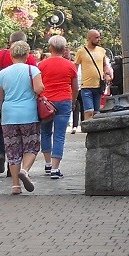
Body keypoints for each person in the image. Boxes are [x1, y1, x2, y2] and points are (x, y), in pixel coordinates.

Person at [0, 31, 38, 175]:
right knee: (22, 139)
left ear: (9, 41)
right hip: (25, 104)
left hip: (1, 97)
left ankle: (0, 153)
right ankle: (12, 169)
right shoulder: (29, 59)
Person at [0, 40, 44, 194]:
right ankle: (25, 170)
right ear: (27, 54)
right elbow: (39, 88)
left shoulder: (3, 73)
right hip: (28, 114)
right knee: (31, 145)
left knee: (12, 149)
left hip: (9, 115)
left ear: (11, 54)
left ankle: (15, 185)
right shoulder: (32, 70)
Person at [38, 35, 78, 179]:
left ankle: (48, 163)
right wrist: (73, 101)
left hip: (46, 102)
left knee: (46, 132)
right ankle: (55, 169)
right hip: (64, 100)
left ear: (50, 48)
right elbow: (75, 87)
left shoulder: (42, 65)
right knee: (60, 135)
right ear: (64, 49)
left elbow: (37, 85)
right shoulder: (70, 65)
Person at [75, 29, 112, 121]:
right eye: (96, 37)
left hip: (99, 86)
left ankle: (95, 132)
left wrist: (107, 74)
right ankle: (88, 130)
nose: (99, 39)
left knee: (97, 112)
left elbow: (105, 64)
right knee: (89, 111)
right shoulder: (81, 52)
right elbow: (75, 67)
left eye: (99, 37)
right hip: (86, 87)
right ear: (89, 38)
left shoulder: (102, 51)